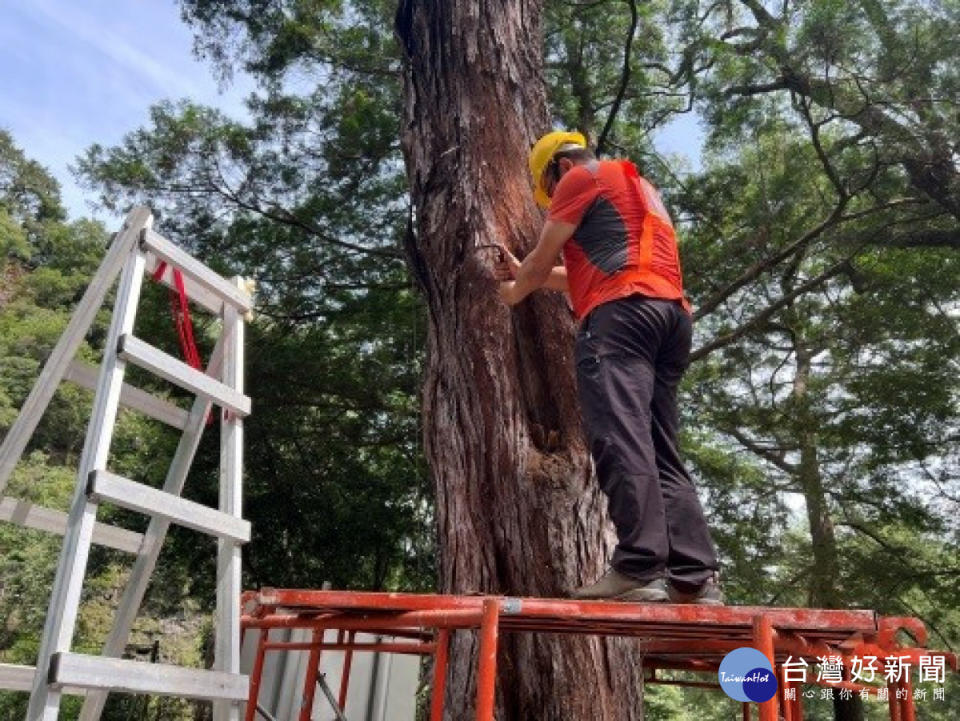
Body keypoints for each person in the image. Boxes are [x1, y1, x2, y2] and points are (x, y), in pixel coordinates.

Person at [494, 130, 722, 604]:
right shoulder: (638, 189)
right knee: (662, 449)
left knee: (621, 436)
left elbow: (543, 262)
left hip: (621, 320)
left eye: (548, 190)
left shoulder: (579, 179)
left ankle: (639, 567)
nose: (553, 199)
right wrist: (525, 273)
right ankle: (694, 578)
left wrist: (513, 292)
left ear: (558, 167)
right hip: (669, 317)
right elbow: (586, 275)